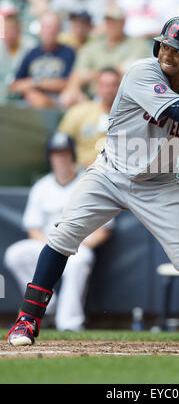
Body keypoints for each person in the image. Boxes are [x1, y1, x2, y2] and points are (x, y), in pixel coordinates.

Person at [6, 16, 179, 348]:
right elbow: (175, 112)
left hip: (159, 184)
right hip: (110, 172)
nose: (167, 52)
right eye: (164, 44)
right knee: (63, 236)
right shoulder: (142, 72)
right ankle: (27, 320)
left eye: (177, 48)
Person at [4, 132, 114, 331]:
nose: (61, 159)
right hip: (46, 243)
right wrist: (52, 248)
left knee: (78, 261)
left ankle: (69, 323)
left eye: (65, 153)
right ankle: (44, 305)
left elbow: (104, 230)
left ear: (72, 155)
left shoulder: (88, 183)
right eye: (56, 154)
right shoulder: (42, 186)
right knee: (15, 254)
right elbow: (33, 228)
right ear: (50, 158)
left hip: (79, 246)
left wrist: (77, 245)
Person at [59, 4, 150, 107]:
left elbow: (131, 71)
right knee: (67, 97)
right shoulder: (92, 46)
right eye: (108, 21)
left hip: (123, 98)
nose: (111, 25)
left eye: (115, 21)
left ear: (123, 22)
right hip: (91, 98)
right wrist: (75, 90)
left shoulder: (137, 44)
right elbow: (77, 75)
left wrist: (93, 74)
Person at [9, 11, 76, 108]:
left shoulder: (68, 52)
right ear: (41, 30)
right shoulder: (32, 53)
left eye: (53, 27)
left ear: (59, 30)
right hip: (30, 100)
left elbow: (67, 83)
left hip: (58, 101)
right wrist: (30, 89)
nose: (50, 31)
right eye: (47, 27)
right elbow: (15, 84)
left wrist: (35, 83)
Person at [58, 68, 120, 168]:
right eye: (104, 85)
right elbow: (61, 143)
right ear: (96, 87)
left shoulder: (129, 116)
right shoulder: (79, 112)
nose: (109, 90)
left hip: (118, 173)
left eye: (114, 85)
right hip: (83, 171)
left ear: (121, 87)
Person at [0, 4, 37, 101]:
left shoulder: (30, 45)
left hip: (23, 88)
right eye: (6, 30)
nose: (9, 35)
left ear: (19, 30)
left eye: (12, 30)